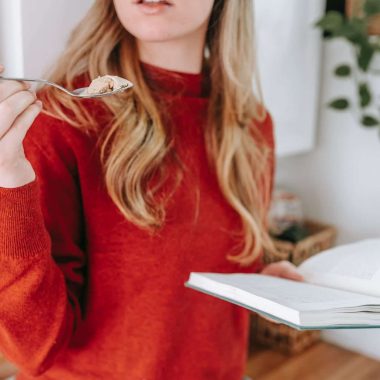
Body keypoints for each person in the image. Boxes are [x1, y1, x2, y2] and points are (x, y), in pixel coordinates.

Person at [0, 0, 303, 379]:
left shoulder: (253, 126)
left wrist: (259, 278)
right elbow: (34, 350)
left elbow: (181, 265)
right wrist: (7, 181)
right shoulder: (61, 120)